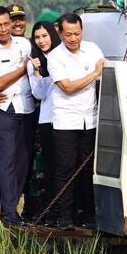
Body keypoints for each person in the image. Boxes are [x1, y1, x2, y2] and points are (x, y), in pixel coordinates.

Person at [47, 13, 105, 229]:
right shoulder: (55, 57)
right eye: (68, 34)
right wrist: (94, 74)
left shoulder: (93, 49)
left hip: (90, 120)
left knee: (88, 169)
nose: (73, 38)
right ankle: (64, 216)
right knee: (65, 170)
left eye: (77, 34)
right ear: (59, 32)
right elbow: (68, 87)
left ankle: (88, 215)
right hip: (66, 122)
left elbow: (105, 70)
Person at [0, 6, 35, 226]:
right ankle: (9, 213)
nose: (4, 29)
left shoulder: (25, 44)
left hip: (26, 107)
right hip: (4, 109)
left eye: (6, 24)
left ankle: (8, 207)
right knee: (5, 161)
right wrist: (23, 68)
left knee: (23, 161)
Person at [26, 21, 61, 224]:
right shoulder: (34, 61)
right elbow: (38, 93)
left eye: (45, 36)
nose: (41, 41)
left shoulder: (63, 56)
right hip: (47, 119)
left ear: (53, 35)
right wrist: (39, 72)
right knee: (48, 168)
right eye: (37, 37)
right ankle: (48, 211)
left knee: (64, 168)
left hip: (68, 119)